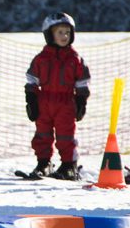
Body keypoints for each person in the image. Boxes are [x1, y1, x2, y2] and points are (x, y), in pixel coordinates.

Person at [25, 12, 90, 180]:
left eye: (67, 32)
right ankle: (44, 164)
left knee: (65, 135)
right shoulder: (41, 58)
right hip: (44, 101)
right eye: (60, 32)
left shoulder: (74, 59)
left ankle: (69, 165)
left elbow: (83, 81)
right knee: (42, 135)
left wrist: (81, 100)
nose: (64, 36)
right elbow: (32, 79)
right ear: (49, 34)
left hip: (65, 103)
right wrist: (31, 99)